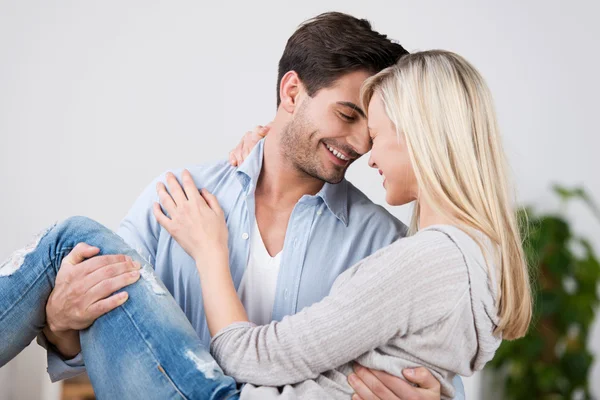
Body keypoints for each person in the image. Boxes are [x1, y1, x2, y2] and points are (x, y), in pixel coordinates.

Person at [0, 50, 531, 399]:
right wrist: (62, 326)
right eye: (349, 116)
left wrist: (211, 253)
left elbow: (433, 374)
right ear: (292, 92)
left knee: (69, 236)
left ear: (422, 135)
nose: (363, 146)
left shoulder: (389, 243)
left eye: (375, 130)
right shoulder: (180, 197)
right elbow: (90, 356)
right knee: (72, 254)